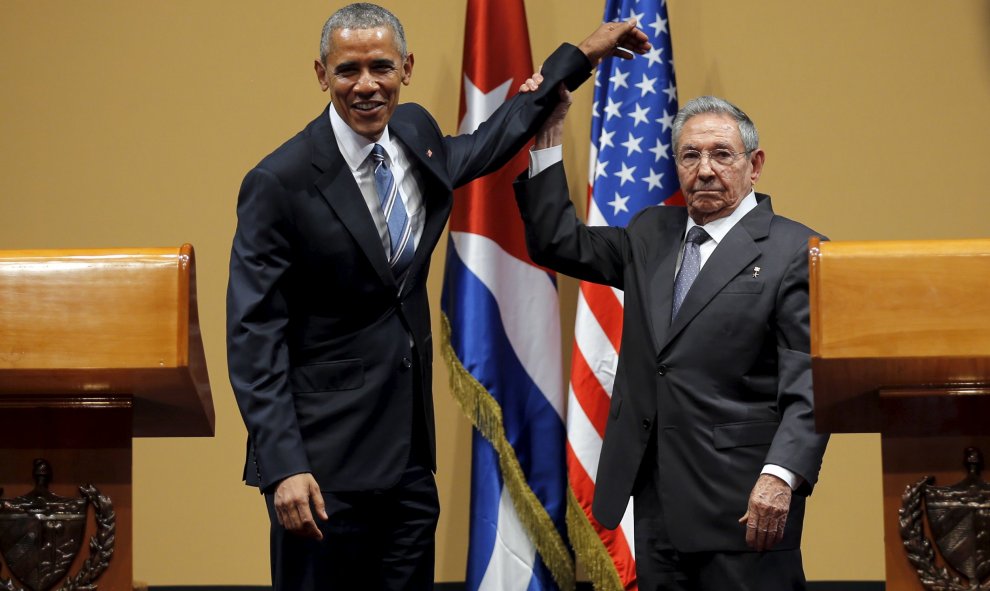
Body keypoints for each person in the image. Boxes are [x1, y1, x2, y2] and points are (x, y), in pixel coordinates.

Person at [225, 3, 649, 589]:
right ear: (322, 75)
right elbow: (253, 336)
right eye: (348, 71)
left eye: (382, 67)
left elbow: (489, 140)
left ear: (407, 68)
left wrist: (580, 57)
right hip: (322, 472)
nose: (367, 85)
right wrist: (283, 467)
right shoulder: (279, 181)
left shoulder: (417, 134)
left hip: (407, 464)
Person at [512, 91, 830, 590]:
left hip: (746, 506)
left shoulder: (797, 251)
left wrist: (781, 476)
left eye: (721, 154)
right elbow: (558, 241)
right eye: (690, 155)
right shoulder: (651, 232)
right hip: (657, 504)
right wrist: (548, 136)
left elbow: (812, 382)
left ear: (755, 165)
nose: (704, 170)